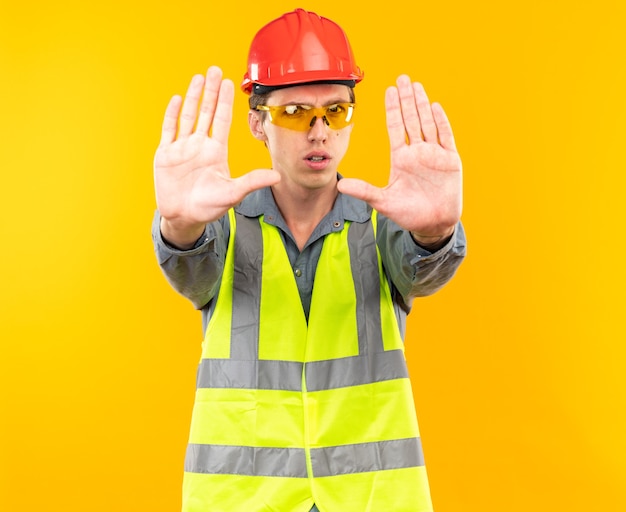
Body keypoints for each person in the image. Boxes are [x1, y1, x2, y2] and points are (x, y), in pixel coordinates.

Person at [152, 8, 466, 512]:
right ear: (258, 122)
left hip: (370, 498)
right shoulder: (226, 226)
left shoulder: (382, 224)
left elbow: (423, 269)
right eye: (295, 112)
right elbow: (190, 264)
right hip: (241, 499)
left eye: (335, 111)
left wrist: (436, 231)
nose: (319, 131)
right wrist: (179, 224)